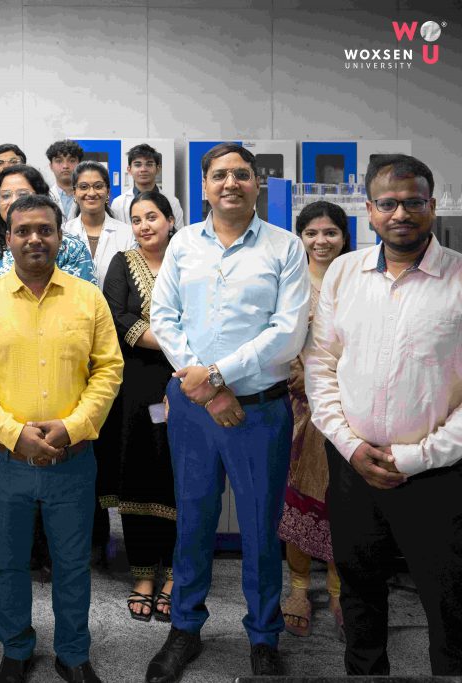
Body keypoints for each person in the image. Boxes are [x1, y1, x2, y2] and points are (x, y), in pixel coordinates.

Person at [146, 142, 309, 682]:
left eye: (241, 174)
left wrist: (217, 376)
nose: (231, 183)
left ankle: (263, 636)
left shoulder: (285, 247)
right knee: (193, 519)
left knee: (261, 528)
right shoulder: (183, 244)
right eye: (219, 175)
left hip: (259, 411)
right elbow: (164, 317)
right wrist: (206, 388)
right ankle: (185, 628)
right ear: (205, 185)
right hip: (193, 410)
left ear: (257, 182)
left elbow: (287, 332)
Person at [0, 194, 123, 683]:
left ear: (59, 237)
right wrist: (12, 433)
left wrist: (73, 426)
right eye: (23, 230)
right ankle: (15, 649)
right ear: (7, 239)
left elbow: (108, 369)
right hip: (6, 462)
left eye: (44, 230)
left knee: (73, 565)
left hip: (73, 460)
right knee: (8, 566)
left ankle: (73, 654)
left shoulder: (88, 299)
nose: (34, 239)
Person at [304, 154, 462, 676]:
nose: (400, 214)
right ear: (369, 210)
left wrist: (416, 457)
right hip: (354, 468)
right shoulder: (345, 273)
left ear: (431, 206)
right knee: (359, 591)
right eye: (388, 203)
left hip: (438, 475)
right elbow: (322, 365)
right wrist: (350, 446)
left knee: (449, 599)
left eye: (413, 202)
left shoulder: (459, 277)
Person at [99, 191, 177, 623]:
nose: (144, 225)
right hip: (135, 383)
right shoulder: (122, 263)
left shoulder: (188, 260)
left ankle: (177, 574)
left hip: (185, 379)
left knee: (180, 474)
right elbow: (117, 315)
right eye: (136, 219)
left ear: (170, 220)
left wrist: (179, 351)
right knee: (139, 470)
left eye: (152, 217)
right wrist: (170, 340)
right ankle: (144, 573)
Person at [276, 201, 352, 640]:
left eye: (330, 233)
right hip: (297, 405)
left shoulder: (356, 278)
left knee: (345, 498)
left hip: (349, 405)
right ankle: (299, 588)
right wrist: (298, 375)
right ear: (300, 237)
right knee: (298, 495)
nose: (321, 241)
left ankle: (341, 591)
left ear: (344, 236)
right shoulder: (291, 280)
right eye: (312, 233)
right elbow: (276, 336)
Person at [0, 164, 96, 288]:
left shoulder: (73, 249)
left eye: (23, 194)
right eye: (5, 196)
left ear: (41, 197)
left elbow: (82, 297)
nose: (14, 201)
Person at [64, 160, 136, 287]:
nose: (91, 193)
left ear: (108, 191)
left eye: (98, 186)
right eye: (84, 187)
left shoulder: (128, 234)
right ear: (74, 193)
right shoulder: (63, 233)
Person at [110, 144, 184, 231]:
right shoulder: (119, 204)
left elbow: (179, 234)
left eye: (149, 164)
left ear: (158, 169)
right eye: (138, 165)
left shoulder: (172, 202)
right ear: (129, 170)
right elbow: (117, 235)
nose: (143, 169)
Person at [45, 139, 83, 222]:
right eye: (59, 161)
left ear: (79, 165)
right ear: (51, 166)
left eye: (72, 161)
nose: (65, 166)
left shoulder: (88, 196)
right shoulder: (44, 197)